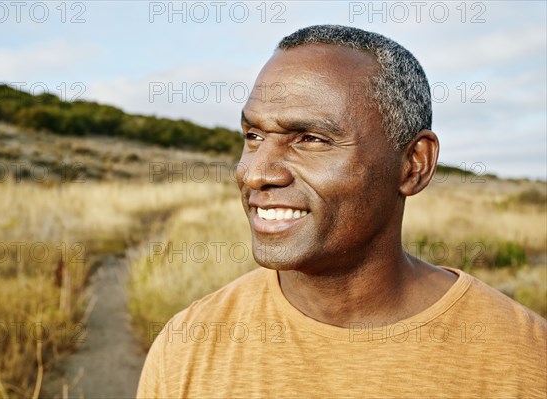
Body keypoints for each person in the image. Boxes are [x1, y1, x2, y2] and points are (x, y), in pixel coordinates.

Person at [137, 25, 546, 398]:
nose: (257, 173)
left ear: (414, 164)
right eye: (254, 135)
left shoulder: (523, 359)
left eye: (311, 139)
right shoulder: (187, 345)